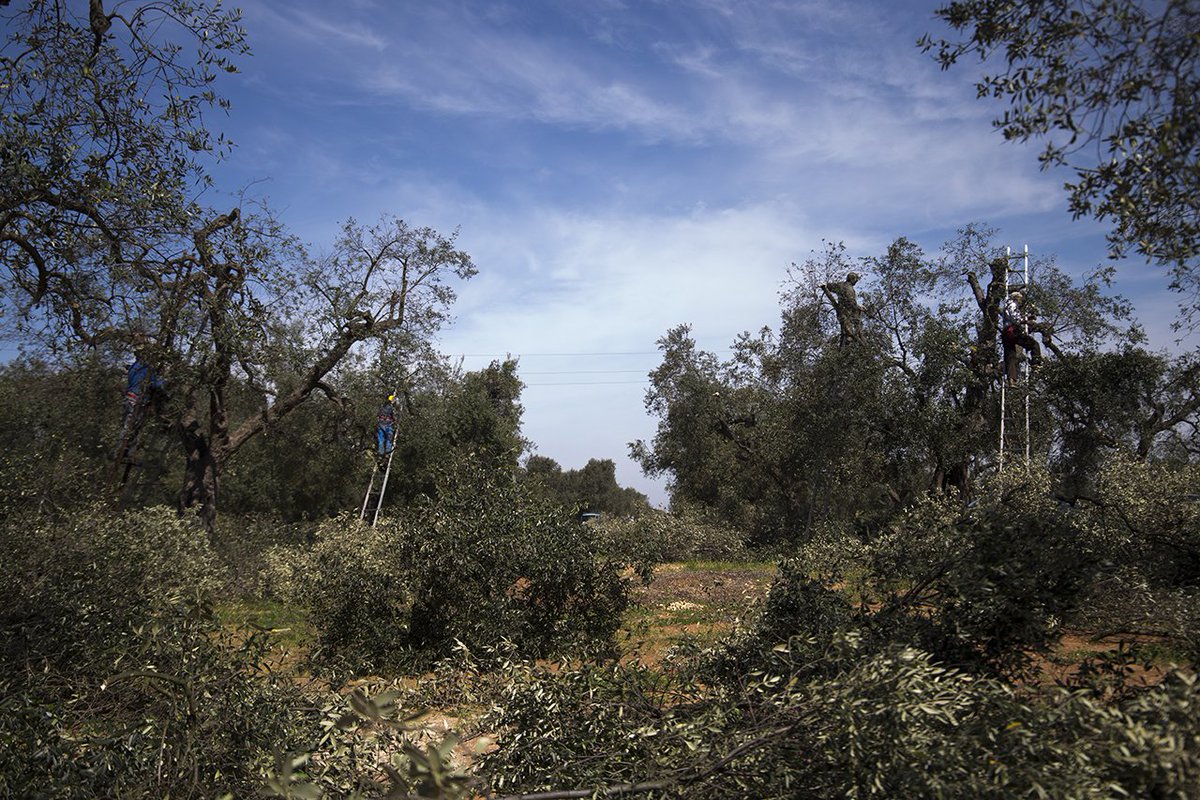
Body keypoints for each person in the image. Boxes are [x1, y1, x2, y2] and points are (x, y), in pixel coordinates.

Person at [999, 290, 1042, 382]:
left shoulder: (1005, 306)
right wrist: (1027, 321)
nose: (1020, 301)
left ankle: (1012, 379)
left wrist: (1027, 317)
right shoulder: (1012, 305)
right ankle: (1036, 363)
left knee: (1011, 356)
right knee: (1034, 344)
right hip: (1013, 332)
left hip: (1006, 333)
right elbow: (1016, 318)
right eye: (1020, 299)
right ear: (1016, 298)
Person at [820, 271, 864, 347]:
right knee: (848, 331)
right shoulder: (849, 289)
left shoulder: (840, 285)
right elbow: (851, 302)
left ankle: (847, 342)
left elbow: (830, 287)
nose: (856, 282)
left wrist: (826, 285)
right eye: (856, 280)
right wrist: (859, 307)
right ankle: (848, 342)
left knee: (845, 329)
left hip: (840, 311)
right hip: (847, 312)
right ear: (852, 279)